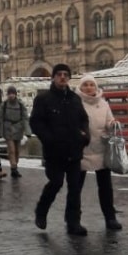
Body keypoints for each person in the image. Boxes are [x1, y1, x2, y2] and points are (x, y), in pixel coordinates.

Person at [30, 64, 90, 236]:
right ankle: (41, 211)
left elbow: (83, 119)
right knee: (56, 183)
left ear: (69, 78)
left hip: (74, 150)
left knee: (75, 187)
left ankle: (73, 222)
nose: (62, 77)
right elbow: (36, 123)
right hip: (54, 151)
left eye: (65, 74)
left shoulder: (74, 98)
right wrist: (48, 139)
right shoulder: (43, 99)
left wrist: (85, 136)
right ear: (53, 77)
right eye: (59, 74)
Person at [76, 74, 123, 231]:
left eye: (92, 84)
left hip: (101, 148)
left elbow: (109, 120)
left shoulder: (103, 104)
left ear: (96, 87)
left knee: (105, 187)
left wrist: (113, 124)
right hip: (81, 149)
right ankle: (74, 220)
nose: (89, 87)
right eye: (86, 84)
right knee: (76, 187)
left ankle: (110, 218)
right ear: (80, 87)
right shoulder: (75, 103)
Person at [0, 86, 29, 178]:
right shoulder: (4, 105)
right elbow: (0, 118)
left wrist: (28, 131)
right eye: (9, 93)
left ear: (15, 94)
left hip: (18, 129)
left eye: (12, 93)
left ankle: (14, 167)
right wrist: (0, 131)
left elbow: (25, 118)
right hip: (8, 128)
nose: (11, 95)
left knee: (17, 150)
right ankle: (13, 167)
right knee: (11, 150)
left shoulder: (20, 104)